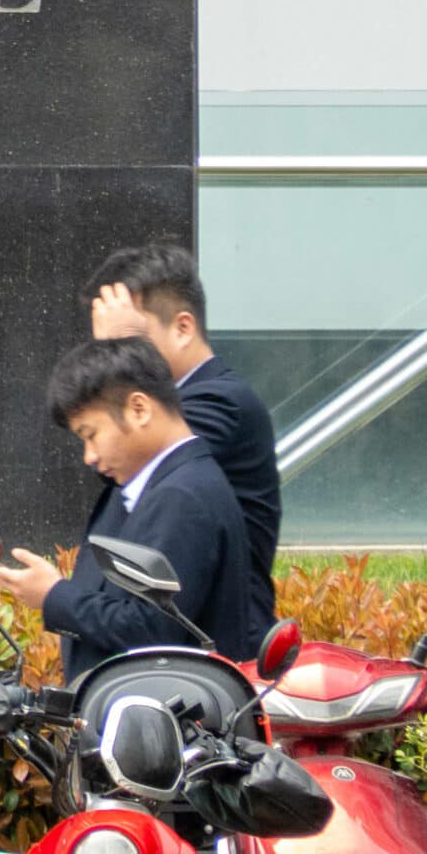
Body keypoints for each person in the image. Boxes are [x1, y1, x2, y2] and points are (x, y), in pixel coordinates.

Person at [0, 337, 266, 681]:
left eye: (91, 434)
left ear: (139, 409)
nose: (89, 456)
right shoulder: (152, 487)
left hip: (169, 724)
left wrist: (53, 596)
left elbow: (152, 629)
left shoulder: (185, 496)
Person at [85, 241, 281, 607]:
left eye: (130, 343)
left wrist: (115, 364)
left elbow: (138, 453)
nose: (112, 362)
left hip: (207, 650)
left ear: (183, 328)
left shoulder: (221, 403)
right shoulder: (185, 399)